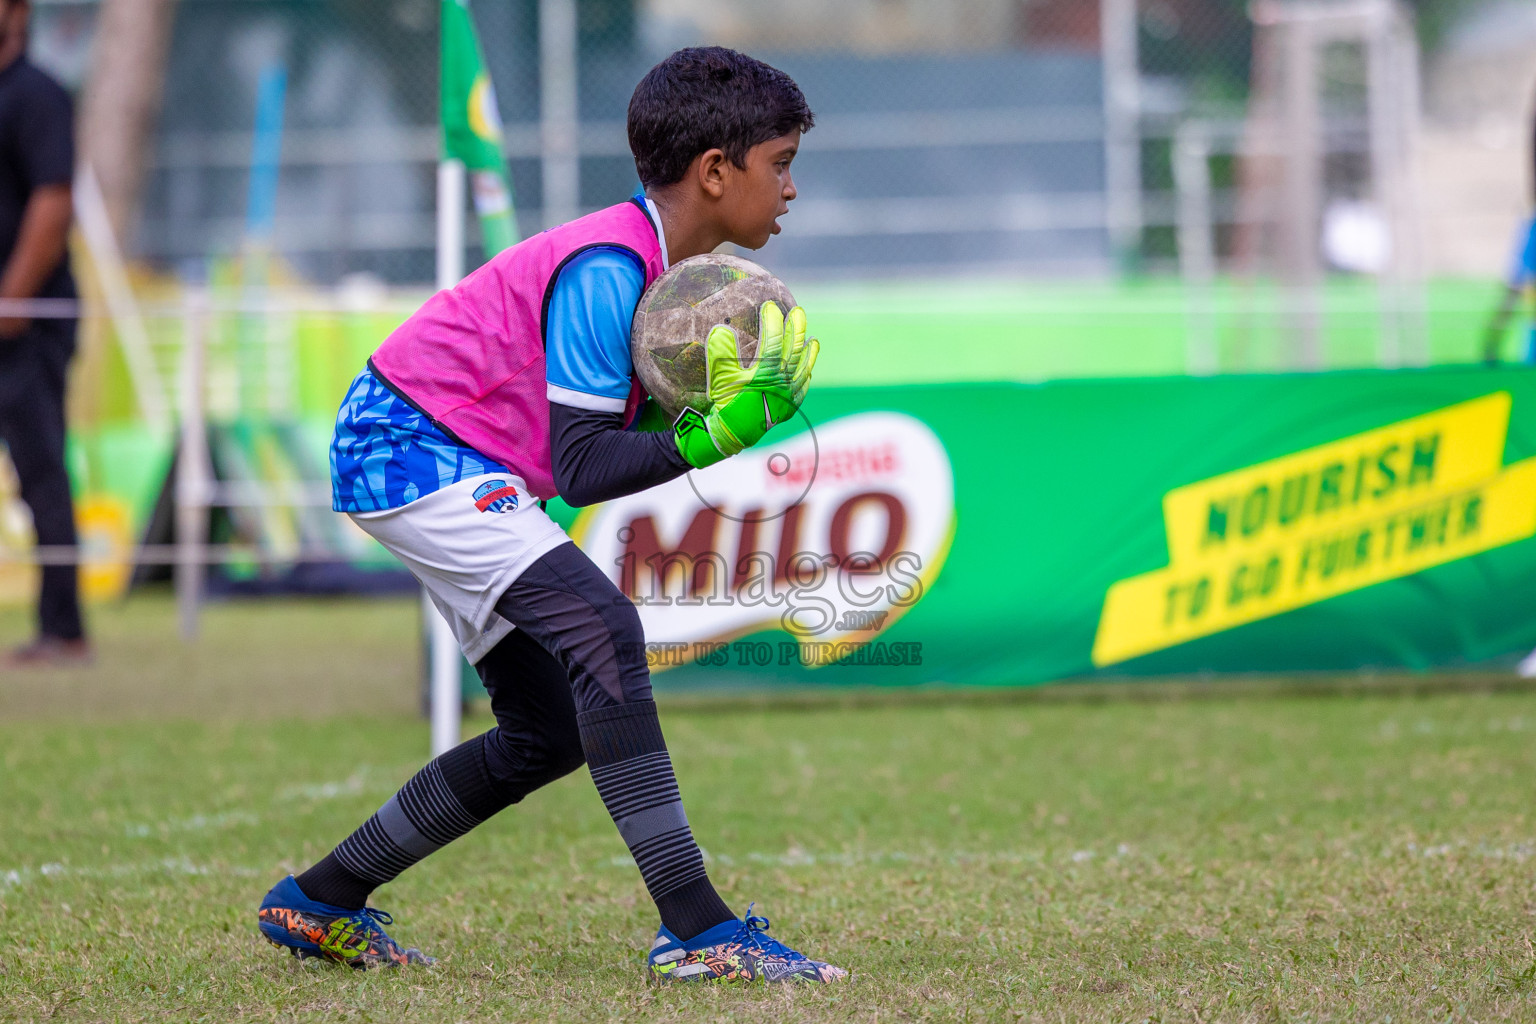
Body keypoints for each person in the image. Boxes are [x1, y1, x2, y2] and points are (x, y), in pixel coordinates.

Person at [256, 47, 843, 983]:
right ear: (716, 171)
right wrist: (709, 438)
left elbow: (597, 439)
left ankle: (319, 899)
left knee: (550, 733)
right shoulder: (612, 265)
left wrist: (699, 417)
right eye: (782, 163)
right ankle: (699, 931)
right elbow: (579, 466)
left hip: (440, 452)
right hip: (411, 445)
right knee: (607, 632)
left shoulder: (657, 269)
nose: (791, 189)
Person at [0, 0, 88, 666]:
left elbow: (53, 199)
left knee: (42, 477)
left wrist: (12, 300)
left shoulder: (37, 96)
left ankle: (64, 630)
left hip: (29, 326)